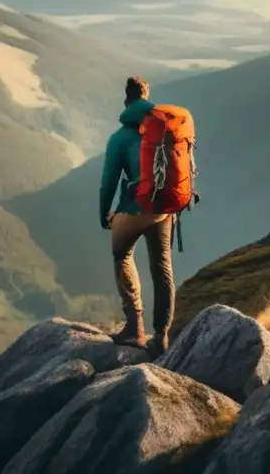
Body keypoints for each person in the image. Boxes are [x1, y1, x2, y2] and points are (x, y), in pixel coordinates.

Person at [99, 75, 175, 356]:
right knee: (162, 267)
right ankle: (163, 336)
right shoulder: (167, 128)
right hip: (164, 209)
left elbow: (108, 182)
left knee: (122, 256)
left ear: (127, 100)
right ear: (147, 96)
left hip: (133, 209)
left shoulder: (120, 138)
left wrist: (103, 212)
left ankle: (135, 327)